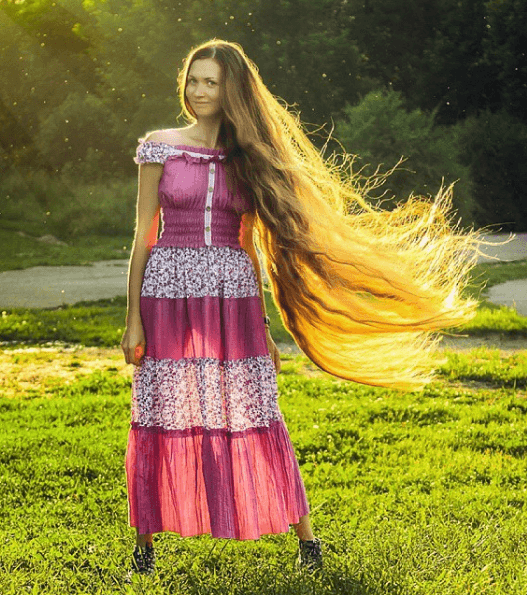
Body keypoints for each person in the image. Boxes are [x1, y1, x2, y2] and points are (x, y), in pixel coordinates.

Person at [120, 39, 481, 577]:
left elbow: (250, 244)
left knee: (257, 409)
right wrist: (133, 319)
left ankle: (307, 542)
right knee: (160, 406)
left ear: (231, 90)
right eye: (193, 80)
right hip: (168, 290)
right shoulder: (160, 147)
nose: (198, 91)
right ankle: (145, 550)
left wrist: (264, 324)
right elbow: (143, 236)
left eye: (210, 82)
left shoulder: (253, 157)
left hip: (235, 295)